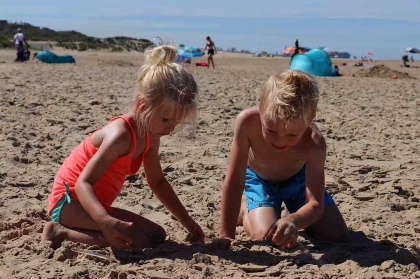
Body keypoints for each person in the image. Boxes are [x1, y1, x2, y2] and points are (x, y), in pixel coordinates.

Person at [42, 45, 205, 251]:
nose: (170, 128)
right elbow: (83, 183)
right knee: (133, 242)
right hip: (69, 202)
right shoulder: (119, 135)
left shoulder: (150, 134)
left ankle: (95, 230)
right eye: (165, 120)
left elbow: (157, 181)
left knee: (157, 235)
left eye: (176, 122)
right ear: (143, 106)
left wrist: (188, 222)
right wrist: (104, 220)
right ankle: (60, 232)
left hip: (94, 203)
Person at [213, 70, 349, 250]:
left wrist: (294, 220)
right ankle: (247, 209)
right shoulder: (247, 123)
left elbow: (315, 203)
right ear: (261, 109)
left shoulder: (314, 143)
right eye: (270, 130)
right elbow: (234, 180)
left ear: (310, 119)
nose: (280, 141)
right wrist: (226, 234)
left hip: (297, 180)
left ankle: (288, 211)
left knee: (336, 234)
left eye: (292, 134)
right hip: (260, 180)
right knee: (267, 237)